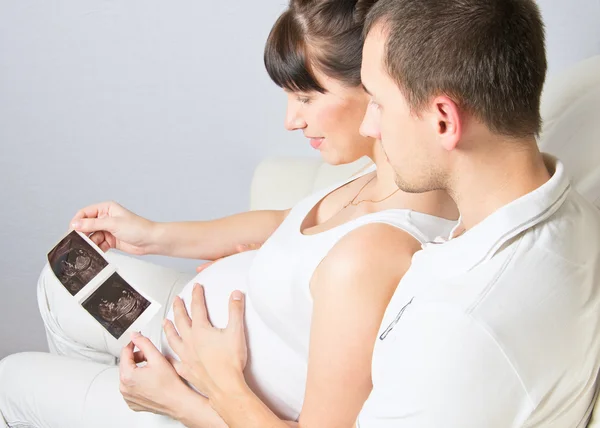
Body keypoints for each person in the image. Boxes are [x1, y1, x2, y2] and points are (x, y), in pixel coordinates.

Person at [114, 0, 600, 427]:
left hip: (209, 381)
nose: (371, 125)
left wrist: (211, 386)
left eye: (380, 104)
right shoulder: (557, 207)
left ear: (444, 120)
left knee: (35, 383)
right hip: (205, 354)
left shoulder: (455, 325)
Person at [0, 1, 459, 427]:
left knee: (9, 383)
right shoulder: (383, 176)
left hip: (203, 398)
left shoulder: (378, 250)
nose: (291, 120)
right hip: (193, 344)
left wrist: (173, 399)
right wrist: (150, 235)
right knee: (60, 279)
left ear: (375, 83)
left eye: (306, 96)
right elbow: (289, 222)